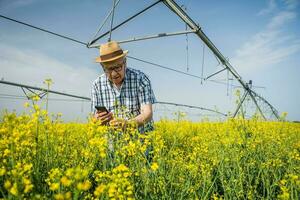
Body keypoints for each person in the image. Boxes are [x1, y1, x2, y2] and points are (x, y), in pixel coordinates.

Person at [91, 41, 156, 133]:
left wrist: (129, 124)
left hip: (140, 140)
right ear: (102, 67)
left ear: (125, 62)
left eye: (117, 67)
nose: (113, 74)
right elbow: (93, 117)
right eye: (109, 69)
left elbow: (147, 113)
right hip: (113, 143)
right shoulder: (97, 85)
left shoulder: (141, 79)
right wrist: (97, 119)